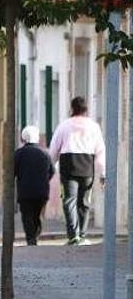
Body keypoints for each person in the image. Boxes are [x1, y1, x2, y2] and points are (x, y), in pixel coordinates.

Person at [49, 96, 106, 245]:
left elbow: (54, 148)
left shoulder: (64, 126)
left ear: (72, 108)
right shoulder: (94, 126)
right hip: (87, 166)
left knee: (69, 201)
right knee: (84, 202)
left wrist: (51, 166)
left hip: (68, 166)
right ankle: (82, 234)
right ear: (86, 109)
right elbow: (100, 150)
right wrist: (103, 173)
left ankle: (73, 235)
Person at [15, 126, 54, 246]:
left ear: (23, 139)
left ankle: (31, 238)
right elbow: (51, 171)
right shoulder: (45, 154)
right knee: (37, 214)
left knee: (27, 215)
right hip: (42, 191)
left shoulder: (18, 154)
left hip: (25, 191)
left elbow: (12, 171)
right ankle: (35, 234)